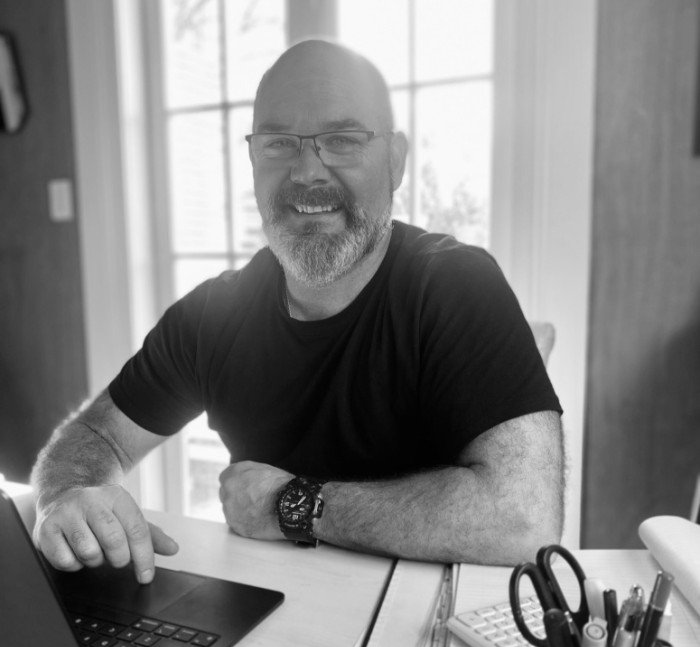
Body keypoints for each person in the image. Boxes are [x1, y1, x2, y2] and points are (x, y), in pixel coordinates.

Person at [30, 39, 564, 584]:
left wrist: (291, 504)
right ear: (253, 160)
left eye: (342, 140)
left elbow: (523, 519)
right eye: (279, 143)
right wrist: (67, 495)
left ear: (395, 161)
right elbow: (97, 437)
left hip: (419, 620)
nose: (307, 172)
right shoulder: (213, 315)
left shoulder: (455, 285)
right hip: (267, 609)